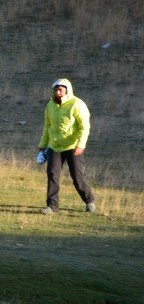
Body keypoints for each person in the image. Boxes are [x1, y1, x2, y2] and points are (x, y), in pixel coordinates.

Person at [37, 78, 96, 214]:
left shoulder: (77, 104)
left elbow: (84, 127)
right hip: (54, 147)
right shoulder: (50, 106)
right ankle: (52, 206)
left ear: (67, 90)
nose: (58, 92)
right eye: (56, 90)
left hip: (73, 147)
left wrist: (81, 145)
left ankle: (89, 201)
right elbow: (47, 126)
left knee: (77, 177)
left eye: (61, 89)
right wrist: (42, 144)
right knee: (52, 175)